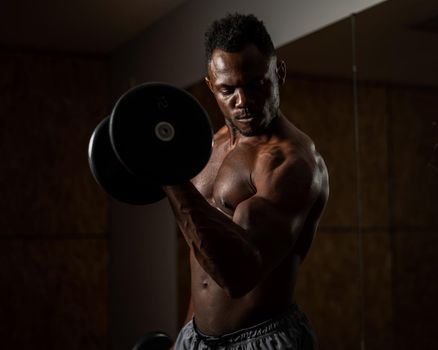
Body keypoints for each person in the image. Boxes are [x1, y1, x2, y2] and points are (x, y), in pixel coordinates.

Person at [163, 13, 329, 350]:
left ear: (278, 72)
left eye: (256, 84)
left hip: (262, 339)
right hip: (196, 337)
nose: (243, 102)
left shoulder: (293, 163)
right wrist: (186, 335)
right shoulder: (211, 147)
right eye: (228, 90)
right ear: (211, 85)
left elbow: (238, 275)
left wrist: (168, 176)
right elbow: (204, 262)